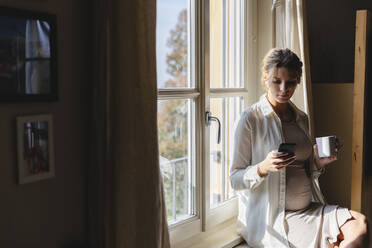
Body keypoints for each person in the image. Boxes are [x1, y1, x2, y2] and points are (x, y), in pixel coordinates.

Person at [230, 48, 368, 248]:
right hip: (277, 219)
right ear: (265, 78)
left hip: (310, 208)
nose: (284, 88)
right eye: (277, 81)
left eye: (291, 82)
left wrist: (318, 163)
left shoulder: (301, 118)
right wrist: (263, 168)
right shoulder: (251, 119)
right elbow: (235, 179)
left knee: (360, 225)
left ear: (298, 81)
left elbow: (306, 170)